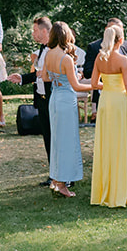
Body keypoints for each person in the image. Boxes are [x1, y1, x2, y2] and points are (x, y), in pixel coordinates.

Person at [89, 23, 127, 207]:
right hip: (119, 103)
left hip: (105, 102)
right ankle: (121, 191)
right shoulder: (122, 60)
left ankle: (105, 190)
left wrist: (108, 86)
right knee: (121, 143)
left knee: (107, 143)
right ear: (121, 40)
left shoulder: (99, 58)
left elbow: (94, 83)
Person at [44, 22, 94, 197]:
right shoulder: (65, 58)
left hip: (54, 98)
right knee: (66, 141)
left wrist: (64, 76)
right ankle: (62, 183)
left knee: (57, 140)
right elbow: (77, 86)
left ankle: (56, 179)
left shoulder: (48, 54)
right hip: (66, 100)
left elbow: (45, 77)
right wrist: (97, 85)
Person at [10, 15, 56, 183]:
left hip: (52, 99)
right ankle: (53, 174)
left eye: (35, 30)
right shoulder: (42, 49)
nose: (33, 33)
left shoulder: (54, 49)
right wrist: (22, 78)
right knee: (47, 137)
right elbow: (38, 73)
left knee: (55, 138)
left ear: (44, 31)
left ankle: (60, 176)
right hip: (41, 99)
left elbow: (50, 74)